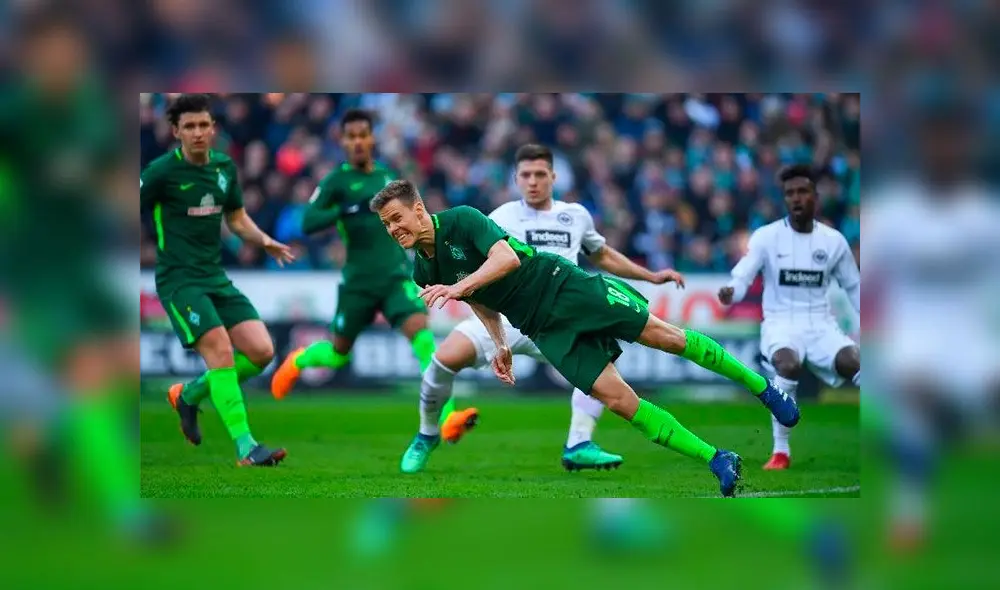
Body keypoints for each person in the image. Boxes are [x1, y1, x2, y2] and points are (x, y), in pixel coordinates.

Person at [369, 179, 800, 497]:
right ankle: (717, 458)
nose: (393, 229)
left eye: (396, 218)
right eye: (387, 224)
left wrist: (458, 288)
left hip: (565, 288)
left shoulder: (462, 220)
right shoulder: (423, 269)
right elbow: (483, 301)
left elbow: (507, 259)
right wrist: (499, 341)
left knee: (665, 337)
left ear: (419, 209)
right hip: (542, 329)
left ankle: (764, 389)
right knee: (619, 401)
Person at [421, 144, 686, 473]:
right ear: (516, 179)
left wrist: (650, 275)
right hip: (508, 317)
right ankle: (427, 433)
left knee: (601, 372)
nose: (533, 181)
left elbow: (602, 255)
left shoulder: (576, 215)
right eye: (526, 175)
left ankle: (578, 442)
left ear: (553, 177)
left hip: (561, 317)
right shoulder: (499, 217)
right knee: (443, 358)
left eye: (540, 174)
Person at [141, 93, 294, 466]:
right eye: (188, 126)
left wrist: (265, 241)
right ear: (176, 131)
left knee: (262, 352)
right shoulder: (160, 173)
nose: (197, 132)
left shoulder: (224, 168)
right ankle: (247, 447)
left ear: (214, 128)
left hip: (214, 276)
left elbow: (237, 218)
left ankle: (190, 395)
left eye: (203, 125)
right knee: (222, 352)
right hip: (180, 280)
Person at [270, 109, 434, 398]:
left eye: (363, 135)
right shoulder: (336, 181)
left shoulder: (387, 176)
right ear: (342, 141)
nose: (358, 141)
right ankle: (299, 360)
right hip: (358, 282)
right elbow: (308, 222)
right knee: (338, 354)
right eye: (351, 136)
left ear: (372, 139)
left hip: (395, 277)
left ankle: (446, 419)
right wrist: (347, 208)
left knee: (422, 337)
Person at [719, 164, 861, 470]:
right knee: (788, 364)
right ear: (784, 199)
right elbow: (744, 276)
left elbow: (854, 286)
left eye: (802, 191)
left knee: (857, 362)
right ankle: (780, 451)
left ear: (815, 196)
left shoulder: (833, 241)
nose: (796, 198)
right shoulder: (767, 237)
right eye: (790, 193)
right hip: (780, 324)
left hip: (822, 325)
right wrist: (732, 290)